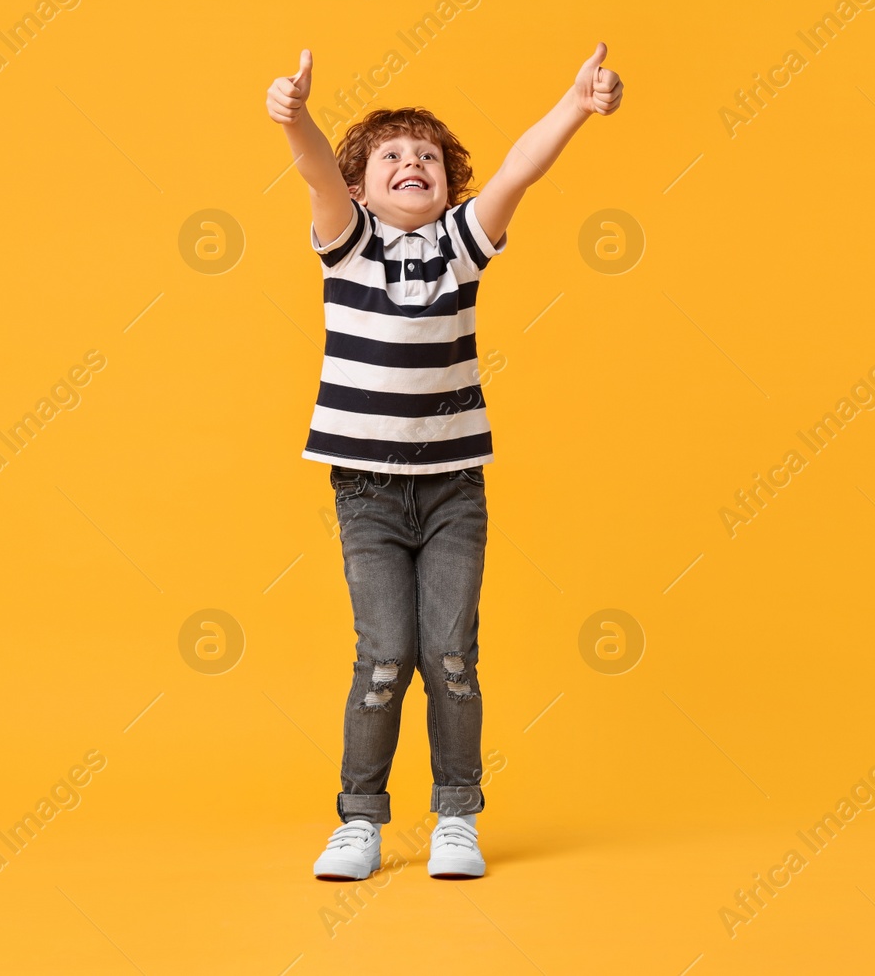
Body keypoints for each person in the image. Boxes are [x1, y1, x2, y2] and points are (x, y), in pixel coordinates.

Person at [264, 44, 624, 879]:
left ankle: (456, 814)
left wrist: (574, 104)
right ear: (360, 189)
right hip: (368, 492)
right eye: (390, 156)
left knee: (452, 657)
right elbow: (317, 173)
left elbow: (517, 173)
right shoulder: (347, 243)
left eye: (427, 155)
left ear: (448, 186)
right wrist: (297, 119)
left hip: (455, 489)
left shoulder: (463, 244)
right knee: (385, 655)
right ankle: (360, 819)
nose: (411, 163)